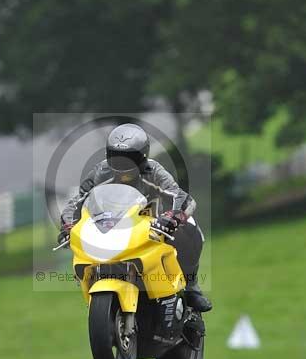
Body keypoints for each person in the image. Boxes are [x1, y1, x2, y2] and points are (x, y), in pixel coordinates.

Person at [59, 122, 212, 312]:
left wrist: (173, 217)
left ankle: (190, 286)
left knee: (190, 224)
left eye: (131, 159)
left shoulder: (154, 171)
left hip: (152, 227)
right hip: (111, 227)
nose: (124, 165)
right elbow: (76, 202)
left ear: (144, 158)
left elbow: (182, 198)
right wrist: (68, 226)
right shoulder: (100, 172)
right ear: (108, 156)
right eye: (117, 158)